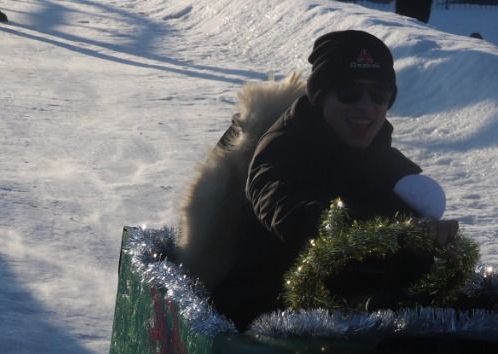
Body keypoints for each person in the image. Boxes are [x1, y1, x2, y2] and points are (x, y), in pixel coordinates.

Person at [187, 30, 459, 329]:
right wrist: (363, 226)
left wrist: (432, 240)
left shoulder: (389, 166)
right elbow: (284, 207)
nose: (366, 106)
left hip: (354, 309)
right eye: (349, 92)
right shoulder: (278, 151)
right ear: (321, 95)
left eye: (379, 94)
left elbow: (408, 233)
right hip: (268, 303)